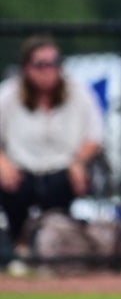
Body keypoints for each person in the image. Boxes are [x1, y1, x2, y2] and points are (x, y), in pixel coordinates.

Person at [0, 35, 104, 268]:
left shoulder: (79, 92)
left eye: (54, 63)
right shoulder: (8, 94)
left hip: (62, 169)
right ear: (27, 68)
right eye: (41, 64)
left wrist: (78, 162)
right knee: (13, 186)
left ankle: (54, 248)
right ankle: (20, 248)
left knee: (60, 188)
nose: (49, 70)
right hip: (21, 170)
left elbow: (95, 135)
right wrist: (2, 162)